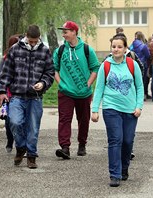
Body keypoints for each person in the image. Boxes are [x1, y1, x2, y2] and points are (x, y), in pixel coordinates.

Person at [0, 25, 54, 169]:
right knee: (15, 122)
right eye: (31, 41)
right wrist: (2, 91)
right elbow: (6, 72)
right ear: (26, 37)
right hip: (17, 95)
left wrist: (43, 83)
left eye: (36, 41)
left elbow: (50, 73)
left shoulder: (45, 51)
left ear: (39, 38)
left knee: (33, 128)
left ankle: (32, 155)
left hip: (35, 97)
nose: (33, 44)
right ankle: (21, 147)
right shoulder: (15, 49)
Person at [91, 34, 144, 187]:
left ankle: (124, 168)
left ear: (125, 48)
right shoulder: (105, 65)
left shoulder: (132, 64)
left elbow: (140, 87)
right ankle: (115, 174)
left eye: (119, 46)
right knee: (115, 140)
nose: (116, 49)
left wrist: (138, 106)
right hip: (111, 108)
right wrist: (95, 110)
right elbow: (99, 88)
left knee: (127, 141)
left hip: (130, 110)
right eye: (114, 46)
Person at [53, 21, 100, 159]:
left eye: (66, 31)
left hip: (84, 93)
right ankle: (65, 147)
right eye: (63, 32)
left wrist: (88, 84)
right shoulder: (60, 50)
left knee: (83, 119)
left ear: (74, 32)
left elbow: (95, 68)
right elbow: (54, 69)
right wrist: (60, 83)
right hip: (66, 92)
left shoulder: (87, 49)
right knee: (64, 119)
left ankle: (82, 144)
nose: (64, 34)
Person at [0, 34, 22, 153]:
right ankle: (9, 140)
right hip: (7, 95)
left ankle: (20, 143)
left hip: (21, 94)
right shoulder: (5, 58)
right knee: (7, 120)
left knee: (20, 120)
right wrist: (8, 76)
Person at [130, 31, 151, 101]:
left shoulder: (132, 45)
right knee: (143, 80)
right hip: (143, 64)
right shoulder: (143, 46)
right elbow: (148, 55)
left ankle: (135, 95)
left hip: (134, 63)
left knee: (135, 79)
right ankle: (143, 95)